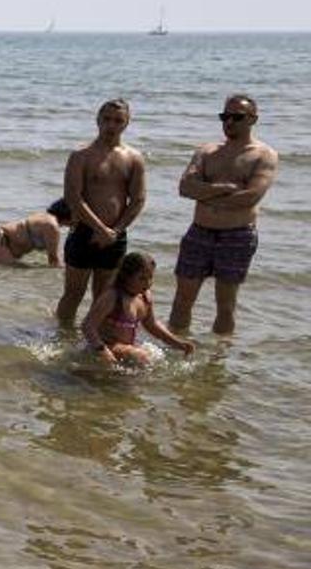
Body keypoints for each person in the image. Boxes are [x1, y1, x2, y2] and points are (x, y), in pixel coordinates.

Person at [170, 94, 280, 335]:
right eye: (224, 116)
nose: (229, 122)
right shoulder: (207, 151)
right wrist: (220, 189)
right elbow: (184, 188)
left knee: (226, 306)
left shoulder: (263, 155)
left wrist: (204, 194)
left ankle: (217, 361)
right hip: (199, 231)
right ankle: (176, 350)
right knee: (182, 299)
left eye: (236, 117)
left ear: (253, 119)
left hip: (237, 235)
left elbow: (251, 196)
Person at [57, 99, 146, 324]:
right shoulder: (81, 155)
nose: (111, 125)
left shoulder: (133, 158)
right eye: (106, 119)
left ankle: (95, 340)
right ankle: (63, 336)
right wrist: (99, 228)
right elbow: (73, 197)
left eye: (118, 120)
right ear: (98, 120)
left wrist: (114, 231)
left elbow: (137, 200)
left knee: (105, 298)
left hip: (115, 236)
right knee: (73, 294)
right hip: (84, 232)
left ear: (126, 123)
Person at [82, 251, 193, 365]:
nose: (148, 283)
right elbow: (87, 326)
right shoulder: (112, 297)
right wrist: (102, 350)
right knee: (140, 357)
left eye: (150, 277)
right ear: (126, 277)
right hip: (105, 345)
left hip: (125, 347)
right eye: (142, 278)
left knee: (154, 355)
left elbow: (152, 325)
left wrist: (177, 343)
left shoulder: (145, 296)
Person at [0, 199, 73, 265]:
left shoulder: (45, 218)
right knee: (15, 271)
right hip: (1, 241)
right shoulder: (52, 226)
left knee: (1, 269)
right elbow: (53, 259)